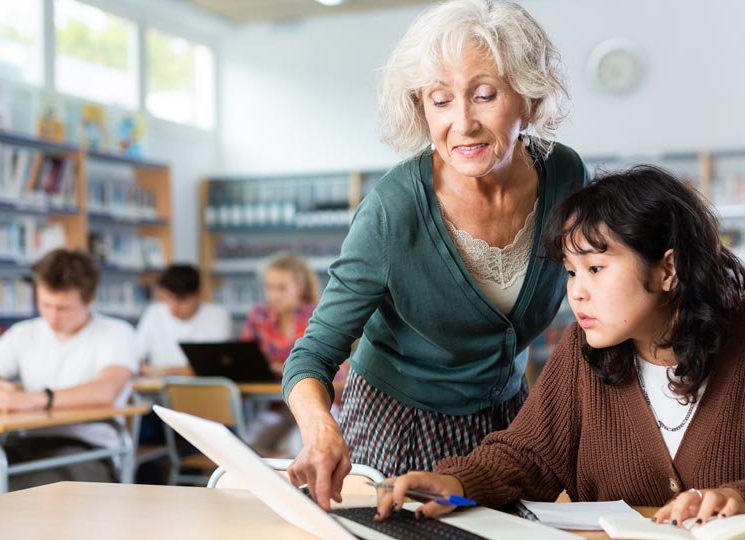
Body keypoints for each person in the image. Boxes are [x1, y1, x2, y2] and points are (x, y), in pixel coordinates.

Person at [373, 165, 745, 527]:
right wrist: (459, 484)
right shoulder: (582, 351)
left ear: (668, 269)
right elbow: (525, 459)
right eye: (570, 272)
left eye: (595, 269)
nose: (577, 291)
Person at [283, 0, 587, 510]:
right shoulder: (392, 210)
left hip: (508, 424)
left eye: (485, 95)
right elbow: (311, 356)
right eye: (440, 101)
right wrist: (320, 430)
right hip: (396, 426)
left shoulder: (565, 177)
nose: (462, 123)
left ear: (529, 99)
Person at [0, 248, 139, 507]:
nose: (52, 317)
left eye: (63, 308)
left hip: (90, 449)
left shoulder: (117, 333)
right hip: (24, 444)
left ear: (88, 301)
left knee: (29, 499)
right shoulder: (24, 334)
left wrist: (33, 400)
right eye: (45, 304)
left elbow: (105, 390)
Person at [240, 252, 323, 454]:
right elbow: (243, 355)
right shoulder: (259, 315)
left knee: (300, 445)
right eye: (269, 287)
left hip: (313, 399)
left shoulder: (317, 315)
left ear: (299, 287)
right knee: (248, 446)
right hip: (272, 402)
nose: (274, 295)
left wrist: (285, 367)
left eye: (281, 288)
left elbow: (333, 365)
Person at [137, 264, 232, 376]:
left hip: (206, 389)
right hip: (160, 390)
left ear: (198, 294)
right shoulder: (154, 313)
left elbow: (215, 366)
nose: (174, 306)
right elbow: (135, 361)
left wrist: (158, 370)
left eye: (181, 299)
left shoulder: (218, 316)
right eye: (169, 297)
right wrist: (183, 370)